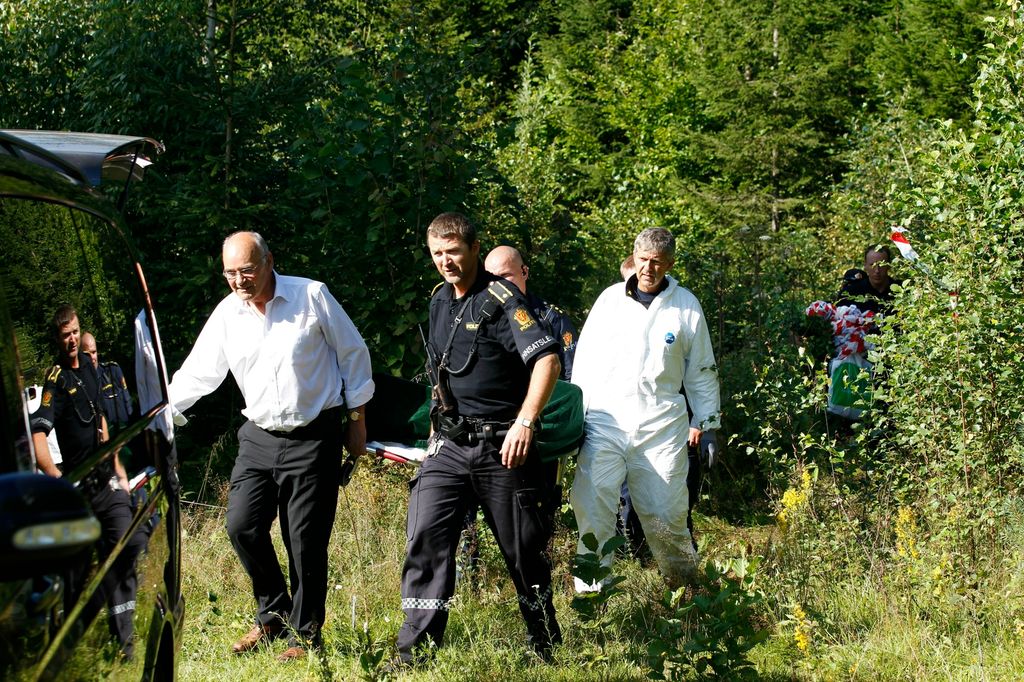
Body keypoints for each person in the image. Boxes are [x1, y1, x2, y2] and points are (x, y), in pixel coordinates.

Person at [168, 231, 374, 662]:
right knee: (241, 525)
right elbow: (199, 373)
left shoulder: (311, 296)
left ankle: (305, 634)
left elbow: (353, 353)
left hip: (314, 434)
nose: (238, 281)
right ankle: (273, 614)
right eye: (229, 273)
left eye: (246, 270)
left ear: (268, 262)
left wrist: (357, 419)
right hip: (259, 436)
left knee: (305, 540)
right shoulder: (228, 314)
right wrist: (160, 415)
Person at [395, 212, 562, 666]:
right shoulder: (439, 302)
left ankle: (545, 642)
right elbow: (440, 372)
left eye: (453, 252)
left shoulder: (504, 299)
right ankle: (415, 652)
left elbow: (548, 360)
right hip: (449, 446)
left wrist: (526, 422)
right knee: (425, 537)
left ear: (473, 249)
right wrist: (432, 430)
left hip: (502, 446)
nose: (445, 262)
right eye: (437, 254)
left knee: (522, 551)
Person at [570, 228, 721, 589]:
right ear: (633, 257)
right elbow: (585, 362)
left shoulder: (685, 306)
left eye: (656, 262)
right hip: (605, 420)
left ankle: (686, 589)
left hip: (661, 423)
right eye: (642, 260)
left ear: (669, 264)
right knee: (594, 506)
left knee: (668, 511)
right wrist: (576, 421)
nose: (648, 268)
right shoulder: (608, 302)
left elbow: (701, 368)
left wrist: (709, 421)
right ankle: (593, 595)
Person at [30, 305, 146, 655]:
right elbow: (38, 434)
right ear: (57, 338)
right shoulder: (56, 379)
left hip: (106, 480)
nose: (72, 339)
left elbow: (101, 422)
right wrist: (56, 478)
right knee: (76, 576)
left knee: (129, 544)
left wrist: (120, 472)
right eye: (65, 335)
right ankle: (69, 647)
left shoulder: (93, 371)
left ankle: (124, 641)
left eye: (75, 332)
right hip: (78, 490)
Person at [484, 245, 577, 380]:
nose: (498, 284)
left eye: (504, 275)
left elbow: (572, 374)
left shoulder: (551, 318)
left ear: (524, 272)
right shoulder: (477, 318)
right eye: (490, 277)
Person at [81, 331, 134, 428]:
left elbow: (127, 401)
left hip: (125, 430)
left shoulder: (112, 370)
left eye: (94, 352)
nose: (92, 357)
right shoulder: (81, 384)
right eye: (87, 354)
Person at [837, 244, 898, 319]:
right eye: (872, 265)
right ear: (865, 266)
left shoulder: (901, 293)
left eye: (881, 265)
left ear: (889, 265)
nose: (877, 271)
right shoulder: (850, 293)